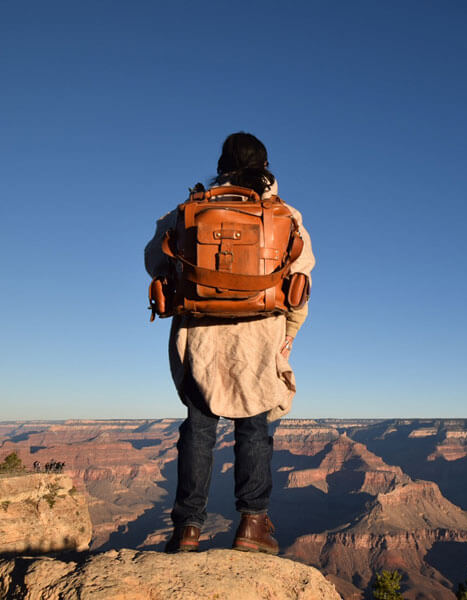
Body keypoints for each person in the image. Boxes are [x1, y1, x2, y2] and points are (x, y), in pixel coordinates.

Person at [144, 132, 315, 554]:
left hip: (200, 334)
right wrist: (290, 334)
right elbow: (301, 279)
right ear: (265, 166)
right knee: (254, 427)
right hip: (258, 333)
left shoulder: (188, 210)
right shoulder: (284, 214)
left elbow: (154, 260)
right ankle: (252, 525)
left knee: (199, 428)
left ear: (221, 165)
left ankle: (187, 529)